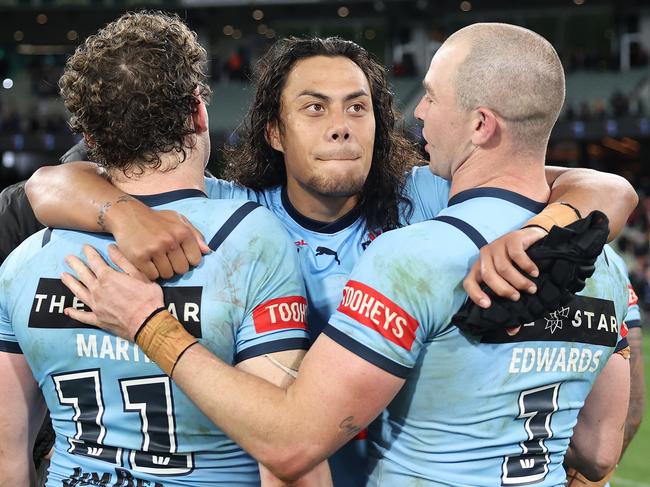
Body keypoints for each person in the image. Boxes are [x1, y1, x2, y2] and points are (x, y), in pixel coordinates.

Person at [25, 36, 637, 486]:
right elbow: (48, 184)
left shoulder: (430, 198)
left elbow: (599, 184)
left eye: (358, 106)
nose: (341, 126)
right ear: (275, 132)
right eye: (314, 108)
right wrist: (121, 214)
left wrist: (551, 223)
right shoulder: (236, 217)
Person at [0, 11, 328, 486]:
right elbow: (285, 454)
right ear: (198, 112)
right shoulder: (250, 237)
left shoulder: (25, 261)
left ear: (90, 139)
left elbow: (9, 459)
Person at [565, 246, 645, 487]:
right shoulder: (607, 260)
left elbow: (634, 395)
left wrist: (584, 481)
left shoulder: (609, 263)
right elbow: (634, 398)